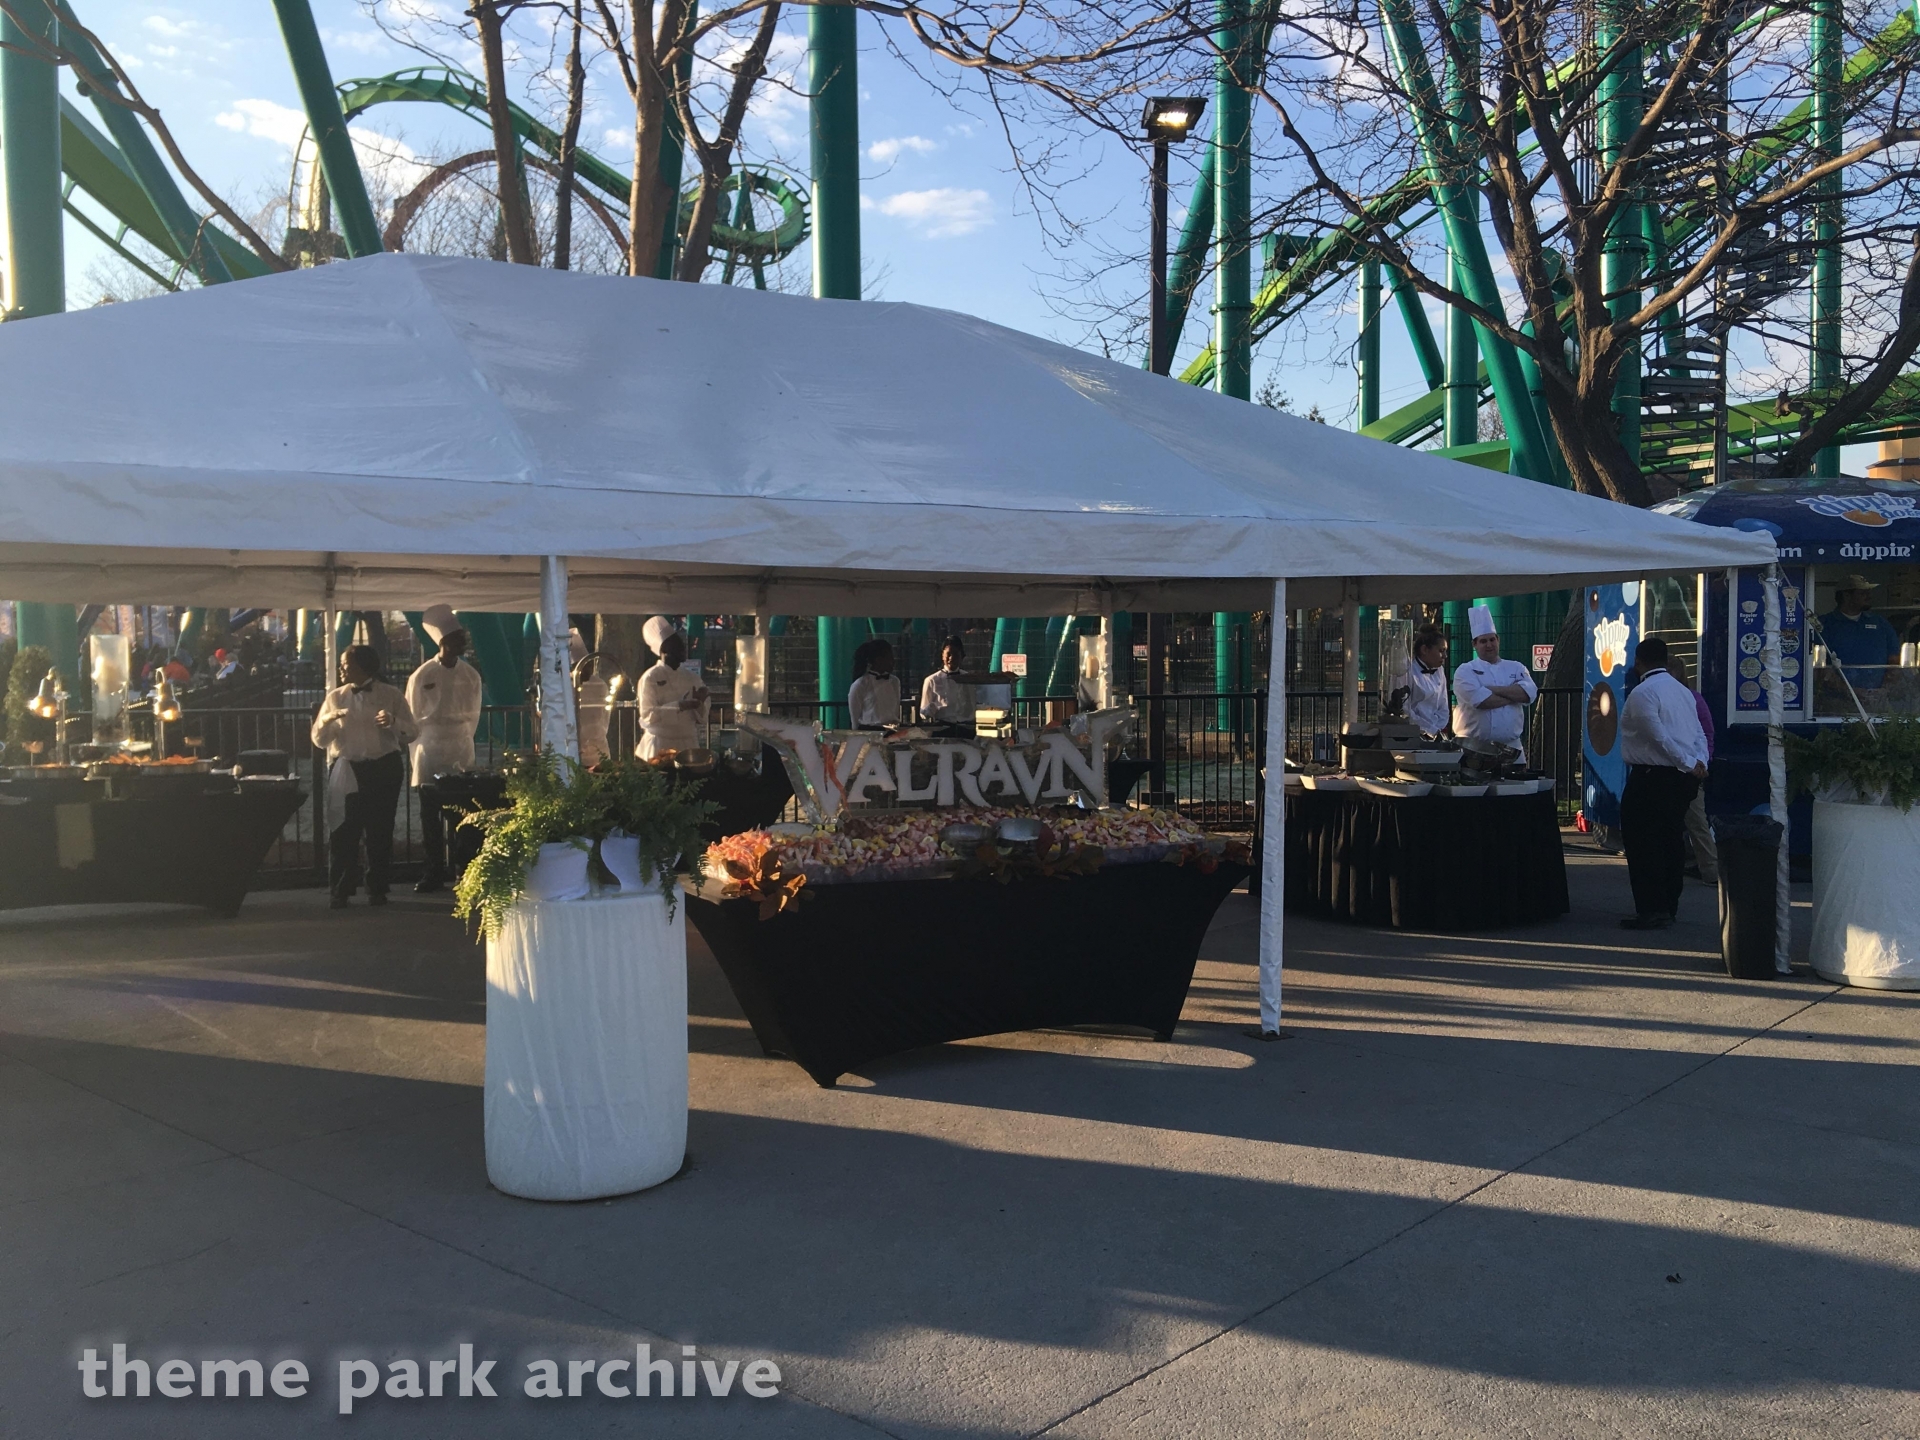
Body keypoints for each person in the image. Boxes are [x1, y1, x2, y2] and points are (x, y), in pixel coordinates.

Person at [312, 643, 416, 909]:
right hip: (347, 768)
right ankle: (340, 889)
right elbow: (319, 741)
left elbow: (412, 732)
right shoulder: (336, 697)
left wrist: (393, 723)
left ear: (363, 666)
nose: (342, 669)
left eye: (346, 664)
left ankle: (377, 888)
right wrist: (327, 721)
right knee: (342, 831)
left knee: (380, 830)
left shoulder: (391, 694)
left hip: (383, 766)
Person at [1617, 636, 1710, 930]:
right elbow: (1698, 732)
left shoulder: (1643, 693)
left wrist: (1687, 762)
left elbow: (1658, 737)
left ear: (1638, 662)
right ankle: (1669, 904)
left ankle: (1651, 907)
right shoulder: (1683, 692)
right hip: (1680, 778)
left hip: (1651, 775)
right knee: (1671, 841)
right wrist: (1700, 762)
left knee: (1644, 844)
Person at [404, 605, 484, 893]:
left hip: (460, 747)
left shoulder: (471, 675)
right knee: (430, 817)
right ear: (443, 642)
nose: (463, 644)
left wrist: (462, 738)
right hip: (430, 747)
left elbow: (474, 715)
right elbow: (412, 715)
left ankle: (464, 871)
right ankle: (433, 871)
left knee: (464, 814)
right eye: (458, 639)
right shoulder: (421, 675)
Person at [1452, 605, 1537, 760]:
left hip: (1512, 750)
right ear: (1474, 644)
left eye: (1492, 639)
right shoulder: (1464, 671)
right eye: (1483, 641)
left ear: (1498, 640)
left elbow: (1529, 694)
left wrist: (1493, 689)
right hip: (1473, 749)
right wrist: (1514, 695)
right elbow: (1482, 701)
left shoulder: (1516, 667)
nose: (1489, 645)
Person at [1667, 656, 1718, 886]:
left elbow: (1706, 733)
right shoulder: (1693, 698)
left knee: (1695, 822)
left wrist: (1702, 761)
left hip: (1683, 769)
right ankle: (1710, 870)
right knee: (1697, 822)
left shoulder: (1690, 699)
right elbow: (1707, 733)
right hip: (1690, 769)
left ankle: (1710, 870)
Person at [635, 616, 708, 759]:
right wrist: (679, 706)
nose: (683, 648)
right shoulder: (650, 677)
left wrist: (700, 704)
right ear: (664, 649)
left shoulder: (692, 678)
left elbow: (702, 718)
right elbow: (647, 715)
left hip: (688, 744)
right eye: (677, 645)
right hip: (660, 744)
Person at [1818, 574, 1899, 690]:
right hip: (1836, 698)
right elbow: (1819, 667)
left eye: (1868, 592)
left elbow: (1894, 661)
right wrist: (1849, 692)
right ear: (1846, 595)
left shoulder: (1880, 623)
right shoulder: (1824, 625)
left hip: (1878, 697)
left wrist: (1884, 690)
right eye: (1863, 593)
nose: (1869, 596)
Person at [919, 635, 975, 735]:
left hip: (966, 728)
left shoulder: (968, 679)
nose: (951, 658)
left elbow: (974, 705)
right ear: (942, 655)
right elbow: (923, 713)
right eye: (948, 654)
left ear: (962, 656)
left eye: (956, 654)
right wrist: (931, 709)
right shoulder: (932, 680)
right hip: (942, 729)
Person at [1406, 624, 1452, 737]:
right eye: (1441, 651)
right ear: (1424, 650)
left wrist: (1437, 729)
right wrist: (1429, 729)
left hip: (1436, 731)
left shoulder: (1440, 670)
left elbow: (1443, 706)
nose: (1445, 656)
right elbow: (1406, 710)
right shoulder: (1408, 671)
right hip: (1413, 732)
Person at [848, 639, 902, 729]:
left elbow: (896, 709)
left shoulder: (895, 681)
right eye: (889, 658)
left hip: (892, 729)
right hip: (870, 730)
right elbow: (855, 717)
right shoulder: (860, 684)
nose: (893, 662)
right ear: (878, 660)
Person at [574, 653, 612, 766]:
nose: (588, 669)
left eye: (590, 665)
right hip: (573, 751)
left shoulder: (599, 685)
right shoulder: (565, 687)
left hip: (598, 752)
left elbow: (603, 719)